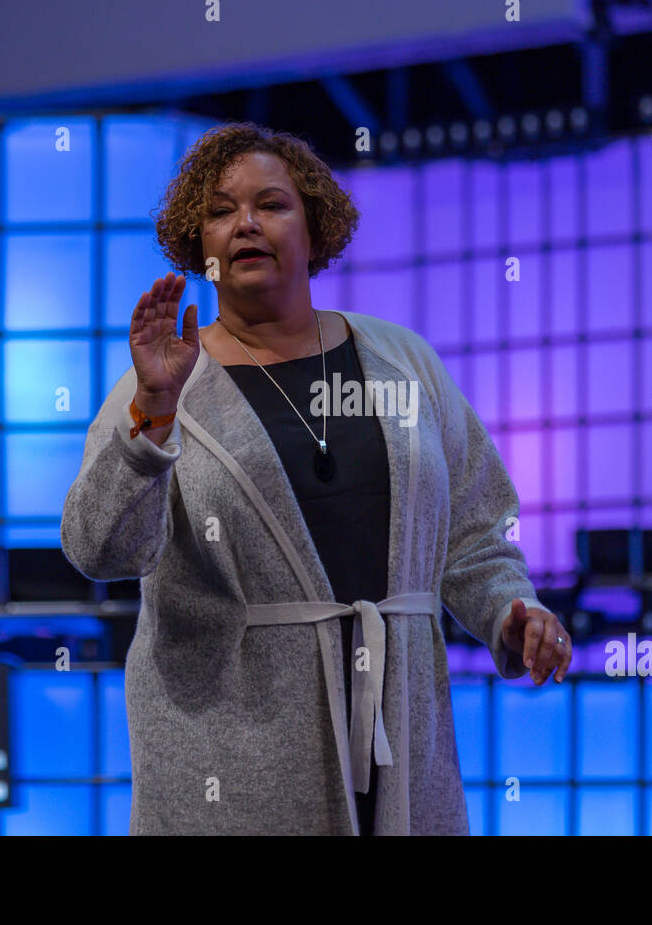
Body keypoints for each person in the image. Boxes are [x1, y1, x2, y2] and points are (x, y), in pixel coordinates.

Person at [61, 122, 572, 835]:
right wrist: (153, 416)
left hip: (399, 751)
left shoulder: (402, 362)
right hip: (232, 770)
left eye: (270, 204)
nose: (245, 223)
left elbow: (475, 531)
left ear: (314, 227)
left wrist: (509, 612)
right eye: (219, 210)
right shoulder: (162, 383)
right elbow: (98, 549)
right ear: (196, 244)